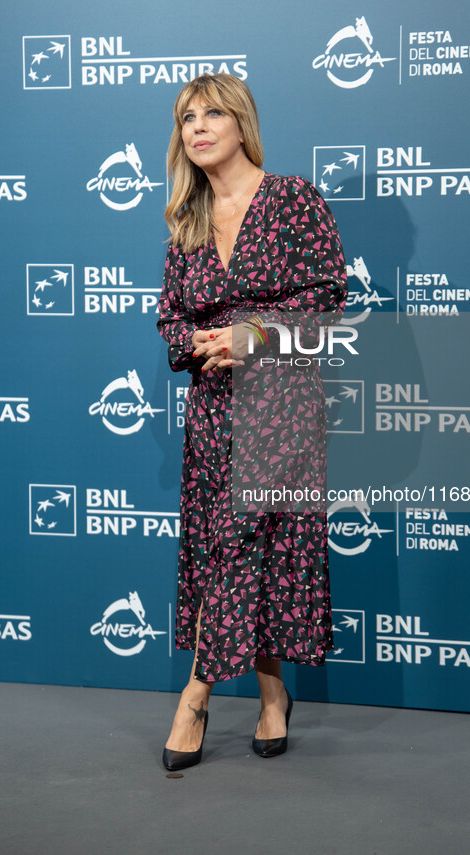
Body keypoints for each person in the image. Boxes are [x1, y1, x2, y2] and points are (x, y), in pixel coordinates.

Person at [157, 74, 347, 771]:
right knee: (232, 550)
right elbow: (172, 317)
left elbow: (328, 306)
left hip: (283, 407)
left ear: (241, 124)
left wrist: (252, 337)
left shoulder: (292, 198)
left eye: (211, 114)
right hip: (212, 415)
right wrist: (200, 344)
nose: (197, 128)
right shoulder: (188, 219)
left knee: (237, 546)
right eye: (185, 119)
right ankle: (272, 692)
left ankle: (194, 698)